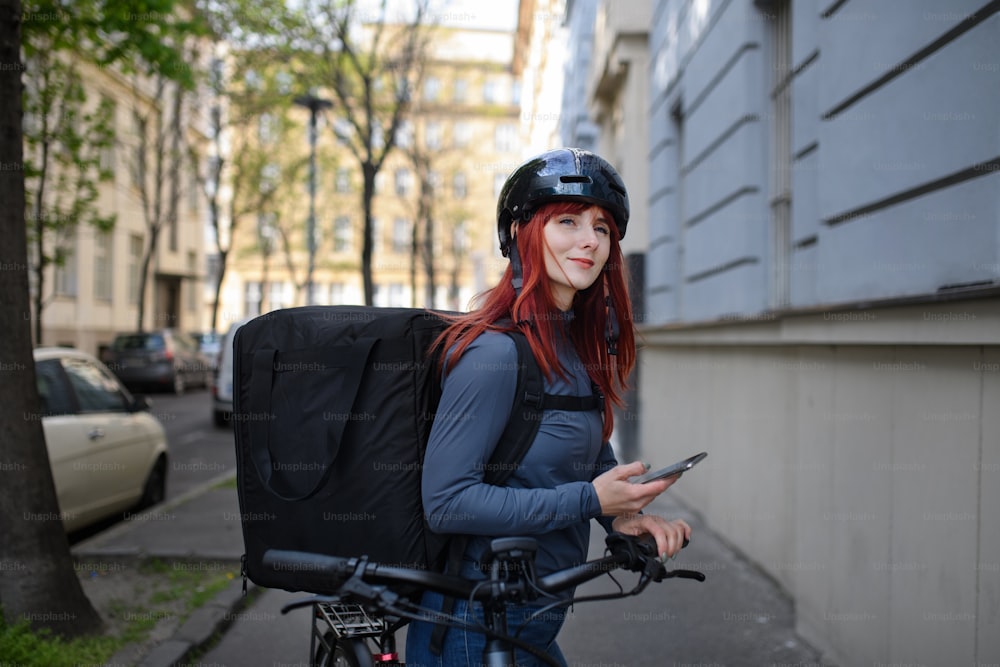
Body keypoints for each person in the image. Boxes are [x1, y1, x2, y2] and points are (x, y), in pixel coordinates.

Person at [404, 148, 691, 666]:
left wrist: (622, 518)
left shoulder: (567, 345)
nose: (590, 240)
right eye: (567, 221)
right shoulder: (494, 353)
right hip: (473, 625)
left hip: (530, 614)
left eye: (602, 228)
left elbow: (580, 451)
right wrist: (590, 501)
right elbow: (446, 503)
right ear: (521, 234)